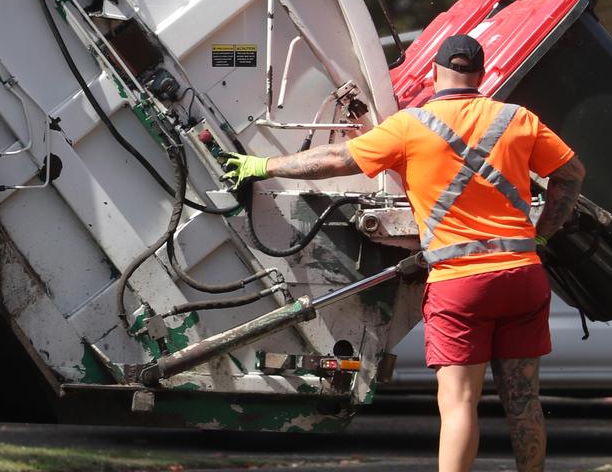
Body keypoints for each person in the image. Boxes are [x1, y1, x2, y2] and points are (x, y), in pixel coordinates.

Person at [223, 34, 585, 472]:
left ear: (434, 74)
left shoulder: (410, 126)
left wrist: (264, 166)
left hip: (459, 283)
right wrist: (542, 236)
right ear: (483, 75)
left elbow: (337, 158)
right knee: (524, 400)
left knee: (459, 403)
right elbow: (571, 174)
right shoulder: (517, 119)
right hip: (522, 276)